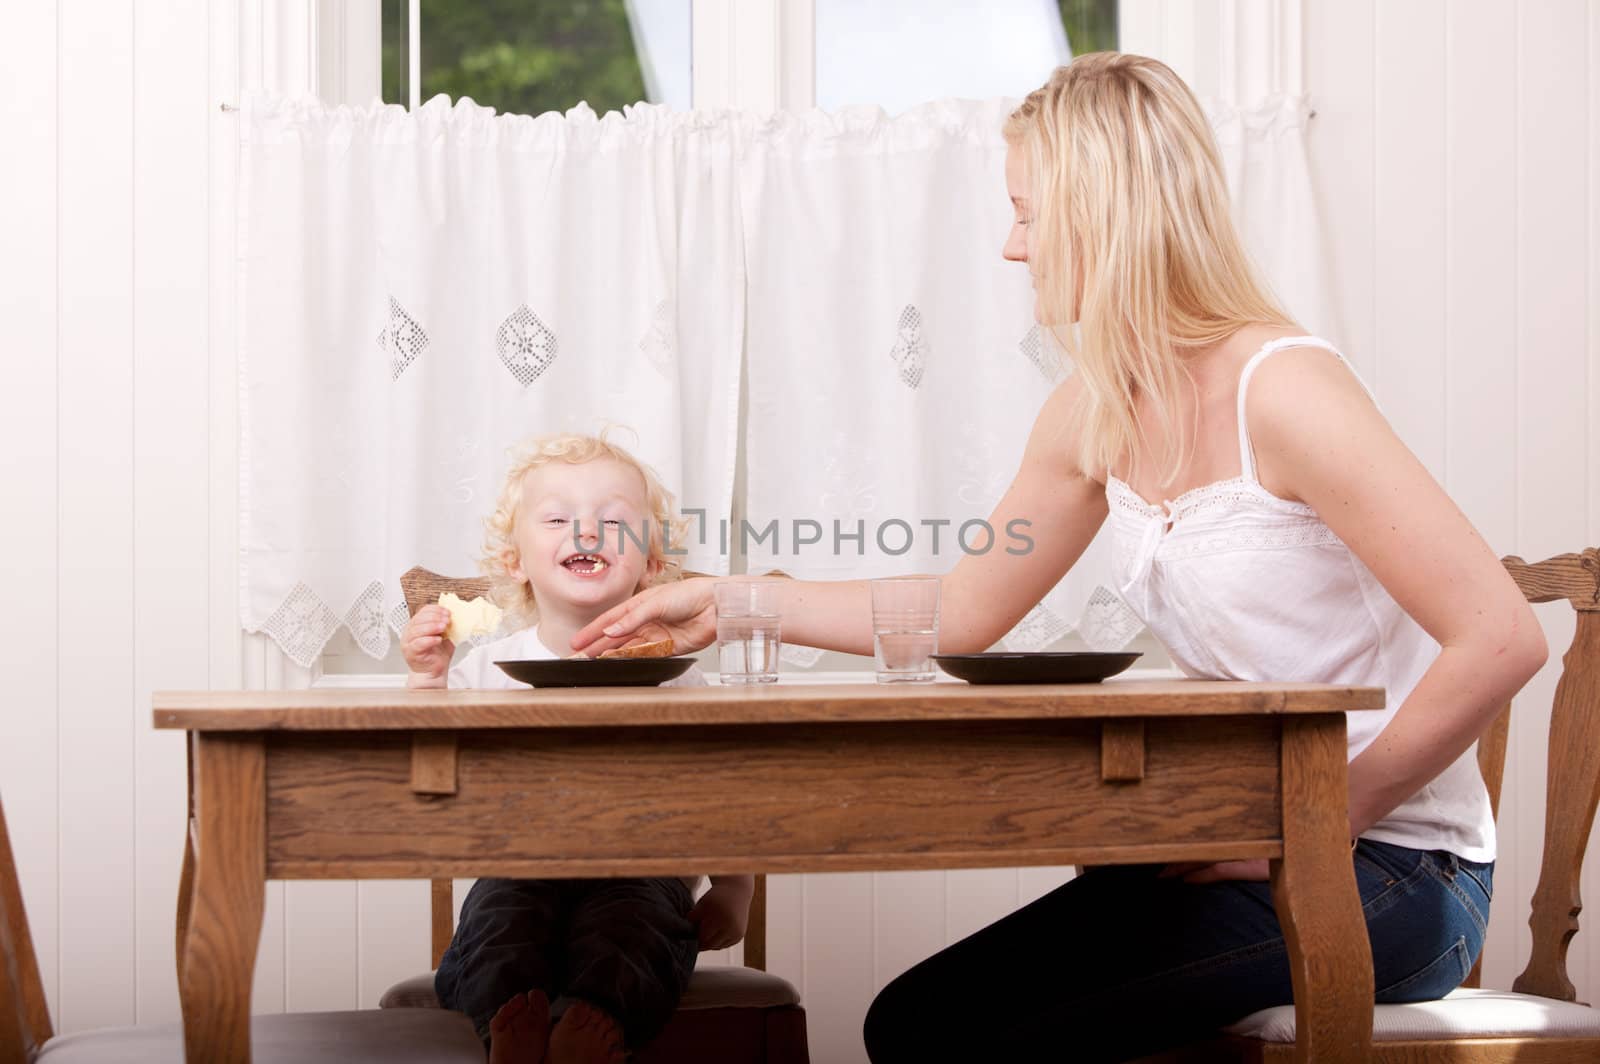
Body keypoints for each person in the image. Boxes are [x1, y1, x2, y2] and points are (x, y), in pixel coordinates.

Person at [571, 53, 1548, 1061]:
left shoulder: (1285, 390)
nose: (1010, 246)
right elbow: (958, 609)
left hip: (1393, 869)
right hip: (1241, 843)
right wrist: (730, 601)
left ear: (1106, 213)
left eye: (1029, 213)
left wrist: (1319, 819)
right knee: (910, 1018)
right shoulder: (1093, 408)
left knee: (937, 1027)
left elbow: (1500, 637)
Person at [402, 432, 755, 1064]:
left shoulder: (677, 675)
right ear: (515, 560)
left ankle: (598, 1021)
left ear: (651, 564)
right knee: (498, 928)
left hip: (646, 873)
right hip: (519, 866)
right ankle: (504, 1026)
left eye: (614, 520)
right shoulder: (486, 668)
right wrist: (429, 681)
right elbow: (430, 769)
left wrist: (736, 888)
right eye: (560, 518)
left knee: (636, 929)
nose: (586, 532)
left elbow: (726, 788)